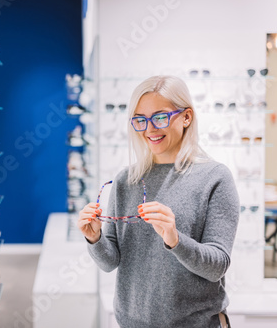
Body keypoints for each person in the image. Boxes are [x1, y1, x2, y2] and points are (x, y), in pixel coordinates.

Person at [78, 75, 239, 328]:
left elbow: (217, 266)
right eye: (140, 120)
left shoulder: (215, 178)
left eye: (160, 117)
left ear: (186, 117)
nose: (150, 129)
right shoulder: (126, 181)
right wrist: (94, 238)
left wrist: (175, 240)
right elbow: (109, 263)